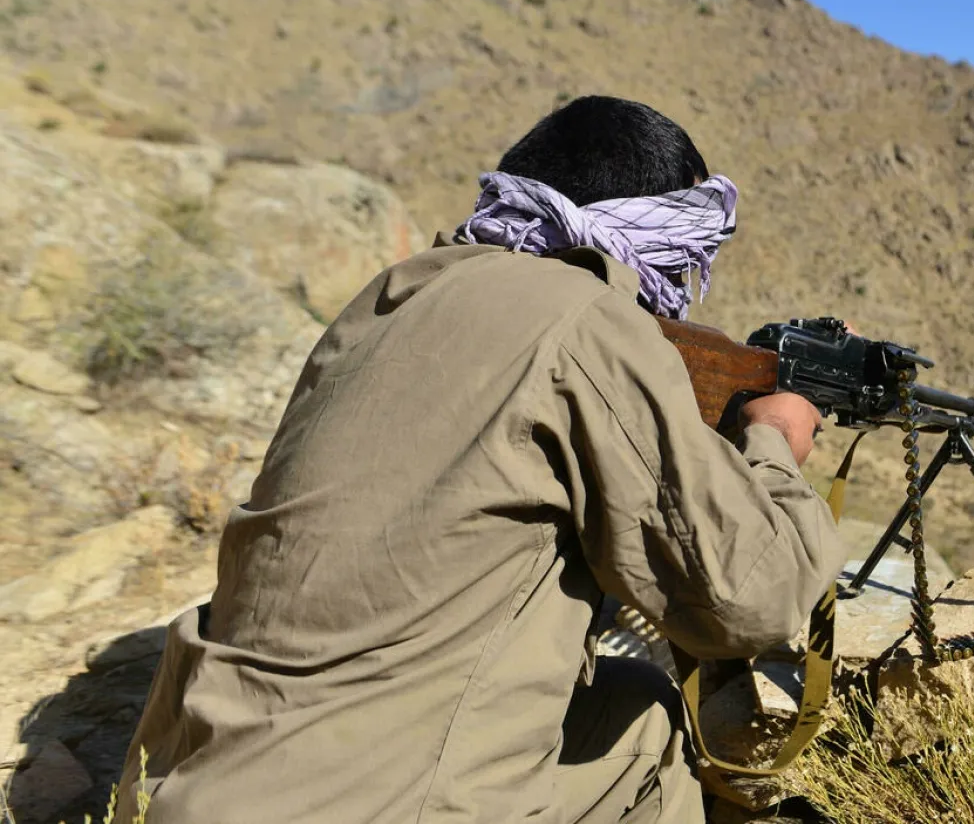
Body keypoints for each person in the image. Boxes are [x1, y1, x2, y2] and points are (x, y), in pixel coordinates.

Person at [114, 96, 847, 824]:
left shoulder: (396, 291)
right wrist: (775, 444)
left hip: (187, 777)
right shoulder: (587, 321)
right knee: (653, 733)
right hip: (374, 806)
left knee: (625, 700)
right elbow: (752, 599)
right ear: (649, 233)